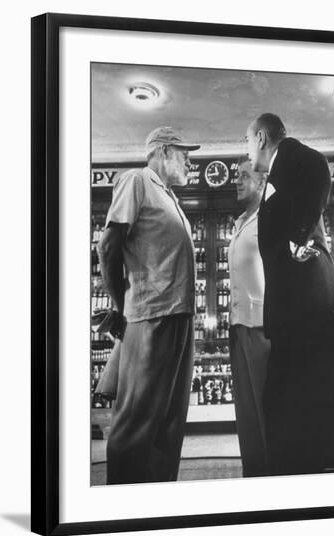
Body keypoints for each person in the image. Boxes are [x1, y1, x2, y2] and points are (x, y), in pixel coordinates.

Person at [97, 126, 200, 484]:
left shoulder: (169, 196)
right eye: (185, 154)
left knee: (168, 426)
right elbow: (108, 247)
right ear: (164, 151)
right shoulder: (138, 180)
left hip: (178, 318)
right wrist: (119, 306)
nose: (190, 161)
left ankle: (156, 504)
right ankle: (121, 512)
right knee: (136, 424)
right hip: (152, 315)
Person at [245, 113, 334, 476]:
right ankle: (303, 478)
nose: (247, 150)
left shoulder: (293, 156)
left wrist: (295, 239)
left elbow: (319, 166)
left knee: (304, 404)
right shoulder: (277, 170)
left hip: (305, 307)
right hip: (295, 310)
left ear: (260, 137)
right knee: (292, 404)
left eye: (246, 142)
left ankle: (311, 484)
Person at [228, 158, 271, 477]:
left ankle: (272, 477)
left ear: (261, 182)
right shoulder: (242, 221)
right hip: (237, 325)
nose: (237, 181)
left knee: (266, 410)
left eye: (244, 176)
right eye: (237, 176)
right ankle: (254, 475)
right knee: (246, 412)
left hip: (262, 327)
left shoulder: (271, 218)